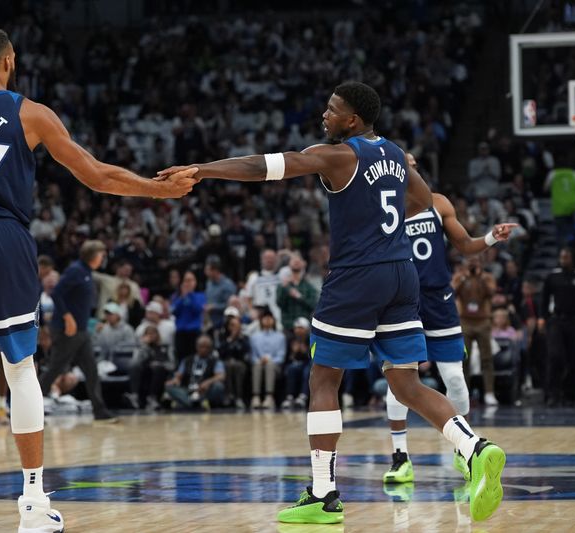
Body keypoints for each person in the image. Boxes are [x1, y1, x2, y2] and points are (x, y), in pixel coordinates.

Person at [0, 25, 197, 532]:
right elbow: (97, 175)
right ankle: (33, 507)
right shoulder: (31, 114)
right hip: (4, 240)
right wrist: (160, 192)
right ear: (9, 62)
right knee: (20, 368)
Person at [160, 81, 506, 524]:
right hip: (402, 275)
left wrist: (201, 169)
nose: (325, 115)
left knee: (324, 379)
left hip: (357, 277)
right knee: (407, 385)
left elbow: (267, 166)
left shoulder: (340, 154)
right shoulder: (398, 156)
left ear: (353, 121)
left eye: (332, 109)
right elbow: (421, 199)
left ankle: (323, 495)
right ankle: (476, 448)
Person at [383, 189, 516, 485]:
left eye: (415, 164)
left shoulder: (439, 202)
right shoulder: (384, 204)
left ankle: (464, 449)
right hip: (402, 299)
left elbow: (466, 245)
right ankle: (400, 457)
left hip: (438, 300)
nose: (411, 168)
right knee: (398, 378)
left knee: (454, 378)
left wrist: (492, 237)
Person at [39, 240, 118, 423]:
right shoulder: (76, 270)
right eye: (101, 255)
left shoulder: (87, 273)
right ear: (92, 255)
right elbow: (56, 293)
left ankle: (100, 411)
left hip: (82, 332)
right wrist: (67, 317)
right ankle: (30, 409)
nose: (103, 258)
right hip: (67, 330)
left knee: (92, 371)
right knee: (54, 369)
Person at [538, 247, 575, 406]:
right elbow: (544, 298)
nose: (564, 260)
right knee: (555, 356)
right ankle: (552, 394)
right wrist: (542, 318)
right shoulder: (552, 276)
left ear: (572, 259)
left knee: (573, 359)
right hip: (556, 320)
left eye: (567, 257)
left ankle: (570, 395)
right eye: (562, 257)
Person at [454, 255, 499, 406]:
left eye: (475, 262)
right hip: (465, 321)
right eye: (470, 261)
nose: (473, 264)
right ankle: (464, 393)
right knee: (464, 359)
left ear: (480, 263)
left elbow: (491, 292)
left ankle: (489, 393)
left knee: (486, 359)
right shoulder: (460, 277)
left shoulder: (487, 277)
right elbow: (452, 291)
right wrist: (464, 278)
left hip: (483, 321)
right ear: (465, 263)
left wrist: (479, 277)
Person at [164, 334, 225, 409]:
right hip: (187, 390)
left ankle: (188, 403)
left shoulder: (215, 361)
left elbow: (221, 376)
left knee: (218, 386)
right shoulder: (187, 360)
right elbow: (178, 376)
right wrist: (174, 381)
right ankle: (193, 402)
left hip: (205, 391)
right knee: (169, 386)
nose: (204, 349)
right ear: (197, 346)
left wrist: (208, 382)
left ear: (211, 348)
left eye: (207, 347)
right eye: (202, 346)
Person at [249, 310, 286, 409]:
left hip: (275, 366)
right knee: (256, 364)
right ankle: (255, 397)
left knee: (269, 365)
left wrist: (269, 359)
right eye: (265, 318)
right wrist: (259, 360)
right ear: (261, 321)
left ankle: (269, 397)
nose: (268, 320)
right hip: (259, 364)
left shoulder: (280, 337)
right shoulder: (254, 337)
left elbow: (281, 356)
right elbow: (252, 355)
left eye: (270, 318)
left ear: (274, 321)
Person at [215, 314, 250, 409]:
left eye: (237, 325)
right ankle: (228, 395)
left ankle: (239, 397)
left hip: (240, 363)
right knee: (227, 366)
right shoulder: (223, 337)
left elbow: (246, 354)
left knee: (237, 366)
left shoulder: (244, 338)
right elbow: (220, 352)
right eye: (232, 325)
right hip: (225, 363)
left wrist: (238, 338)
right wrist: (230, 339)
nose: (234, 327)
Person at [276, 254, 319, 332]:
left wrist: (298, 296)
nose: (296, 261)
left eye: (299, 260)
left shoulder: (309, 286)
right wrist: (285, 290)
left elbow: (313, 305)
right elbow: (279, 303)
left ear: (303, 264)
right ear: (289, 264)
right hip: (288, 325)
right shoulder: (283, 285)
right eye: (293, 260)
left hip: (305, 326)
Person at [171, 271, 206, 361]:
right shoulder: (176, 297)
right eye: (186, 280)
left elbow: (197, 309)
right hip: (181, 332)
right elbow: (174, 311)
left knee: (194, 358)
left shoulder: (200, 296)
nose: (188, 283)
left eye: (191, 280)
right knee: (181, 358)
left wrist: (190, 295)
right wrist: (183, 297)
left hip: (194, 332)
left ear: (195, 282)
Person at [204, 255, 237, 330]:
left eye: (207, 269)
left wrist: (214, 307)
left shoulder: (228, 285)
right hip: (210, 323)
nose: (205, 272)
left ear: (215, 270)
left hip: (224, 324)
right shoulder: (209, 283)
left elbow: (231, 306)